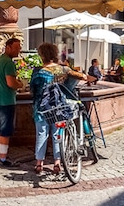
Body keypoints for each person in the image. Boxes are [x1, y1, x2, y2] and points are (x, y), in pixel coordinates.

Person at [30, 42, 91, 174]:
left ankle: (39, 163)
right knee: (57, 134)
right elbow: (82, 76)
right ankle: (57, 162)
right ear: (54, 54)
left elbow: (32, 90)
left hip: (41, 108)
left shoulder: (37, 72)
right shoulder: (63, 69)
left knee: (41, 134)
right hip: (59, 107)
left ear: (42, 56)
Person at [0, 38, 23, 168]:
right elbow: (11, 83)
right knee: (5, 130)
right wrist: (20, 84)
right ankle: (3, 158)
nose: (19, 50)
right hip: (6, 102)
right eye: (16, 47)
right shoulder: (8, 63)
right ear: (8, 47)